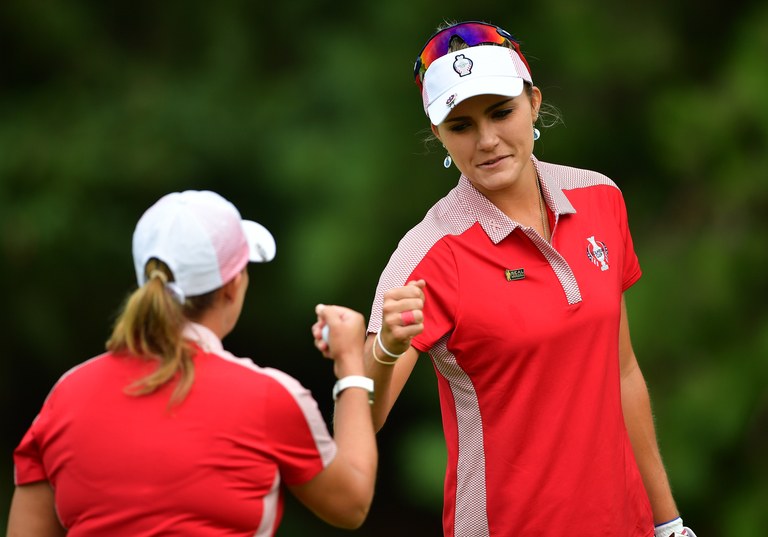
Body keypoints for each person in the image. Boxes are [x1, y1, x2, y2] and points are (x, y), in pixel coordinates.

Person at [363, 20, 696, 537]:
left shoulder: (599, 198)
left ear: (534, 102)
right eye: (462, 125)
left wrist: (667, 519)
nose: (488, 140)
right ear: (438, 134)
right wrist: (384, 349)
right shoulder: (428, 254)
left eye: (501, 112)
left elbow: (622, 371)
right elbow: (366, 418)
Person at [8, 190, 379, 536]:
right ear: (233, 286)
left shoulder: (65, 397)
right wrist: (350, 362)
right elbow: (351, 502)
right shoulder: (270, 396)